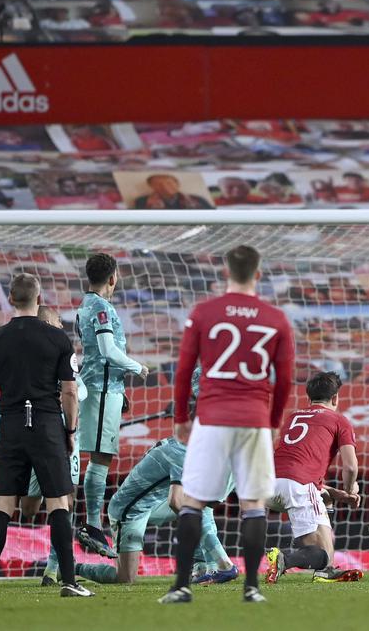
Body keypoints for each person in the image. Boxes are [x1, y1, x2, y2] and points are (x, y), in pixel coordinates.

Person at [161, 244, 295, 604]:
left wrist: (181, 418)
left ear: (225, 273)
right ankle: (251, 588)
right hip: (254, 419)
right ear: (258, 274)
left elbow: (183, 371)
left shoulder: (204, 312)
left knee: (192, 500)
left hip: (212, 418)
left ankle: (181, 586)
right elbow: (284, 379)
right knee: (252, 502)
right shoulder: (276, 318)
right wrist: (274, 421)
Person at [0, 273, 92, 599]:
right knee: (58, 504)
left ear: (10, 299)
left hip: (11, 427)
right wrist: (70, 431)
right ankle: (69, 582)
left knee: (3, 505)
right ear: (39, 299)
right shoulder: (57, 338)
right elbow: (69, 391)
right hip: (47, 424)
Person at [75, 368, 240, 586]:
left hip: (160, 499)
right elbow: (176, 502)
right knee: (125, 578)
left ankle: (204, 567)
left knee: (201, 502)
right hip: (131, 509)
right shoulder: (184, 448)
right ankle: (71, 567)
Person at [76, 253, 148, 557]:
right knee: (101, 456)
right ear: (113, 278)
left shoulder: (86, 305)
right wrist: (137, 367)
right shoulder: (101, 307)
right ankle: (93, 525)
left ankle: (92, 525)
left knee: (99, 455)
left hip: (104, 387)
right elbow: (107, 350)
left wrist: (120, 386)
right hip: (101, 389)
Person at [264, 371, 362, 584]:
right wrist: (349, 489)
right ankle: (286, 559)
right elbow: (350, 467)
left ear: (308, 398)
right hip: (297, 487)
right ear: (335, 398)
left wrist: (336, 493)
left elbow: (295, 467)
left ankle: (324, 570)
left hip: (268, 485)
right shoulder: (339, 420)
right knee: (321, 555)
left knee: (325, 496)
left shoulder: (293, 417)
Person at [20, 306, 88, 586]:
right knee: (29, 508)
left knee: (65, 502)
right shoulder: (30, 359)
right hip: (39, 436)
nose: (61, 325)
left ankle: (52, 569)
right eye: (57, 320)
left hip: (66, 441)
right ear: (45, 323)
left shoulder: (64, 354)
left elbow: (79, 389)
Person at [132, 174, 212, 210]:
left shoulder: (197, 199)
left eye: (169, 183)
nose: (165, 187)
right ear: (152, 187)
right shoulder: (142, 201)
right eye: (158, 184)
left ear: (177, 184)